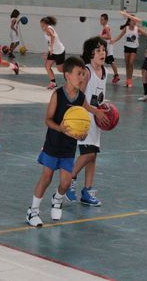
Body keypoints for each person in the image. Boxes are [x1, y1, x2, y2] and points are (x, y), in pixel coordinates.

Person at [26, 57, 107, 227]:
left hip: (69, 147)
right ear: (68, 75)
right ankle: (32, 211)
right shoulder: (58, 95)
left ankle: (57, 200)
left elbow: (85, 114)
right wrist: (60, 128)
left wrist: (83, 134)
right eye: (79, 74)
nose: (82, 77)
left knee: (66, 182)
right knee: (46, 178)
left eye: (83, 74)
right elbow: (48, 120)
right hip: (53, 144)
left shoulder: (80, 97)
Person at [67, 37, 111, 206]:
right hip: (84, 118)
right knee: (88, 154)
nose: (102, 53)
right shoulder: (86, 72)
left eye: (104, 50)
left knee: (93, 157)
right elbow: (79, 98)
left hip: (96, 119)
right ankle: (69, 180)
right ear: (90, 54)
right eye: (98, 50)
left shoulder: (105, 72)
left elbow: (98, 98)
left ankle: (87, 191)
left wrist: (105, 108)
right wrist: (95, 111)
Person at [111, 18, 139, 88]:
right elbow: (120, 36)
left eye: (135, 20)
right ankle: (127, 80)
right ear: (129, 22)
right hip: (127, 47)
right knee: (127, 64)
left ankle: (130, 80)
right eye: (132, 20)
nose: (134, 21)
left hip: (134, 48)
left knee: (131, 63)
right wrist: (114, 40)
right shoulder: (126, 28)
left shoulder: (137, 28)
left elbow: (145, 33)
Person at [41, 16, 66, 90]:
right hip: (53, 52)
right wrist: (48, 52)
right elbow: (49, 42)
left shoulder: (49, 29)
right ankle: (53, 83)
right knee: (47, 66)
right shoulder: (47, 29)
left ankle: (72, 71)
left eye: (43, 25)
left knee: (60, 69)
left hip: (59, 51)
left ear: (47, 24)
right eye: (41, 26)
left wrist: (51, 48)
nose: (42, 27)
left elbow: (53, 36)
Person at [99, 13, 120, 84]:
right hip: (106, 47)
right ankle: (114, 75)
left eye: (102, 20)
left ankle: (115, 75)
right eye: (100, 19)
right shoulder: (105, 27)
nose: (100, 21)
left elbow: (109, 36)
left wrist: (100, 36)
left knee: (109, 61)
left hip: (108, 48)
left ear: (106, 20)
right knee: (104, 61)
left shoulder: (106, 27)